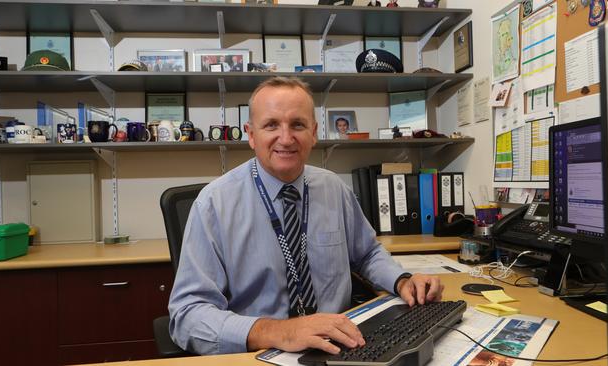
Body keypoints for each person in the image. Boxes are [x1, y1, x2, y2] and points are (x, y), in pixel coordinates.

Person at [168, 76, 444, 355]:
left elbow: (367, 253)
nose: (286, 139)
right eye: (271, 125)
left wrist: (402, 280)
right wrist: (278, 331)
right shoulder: (214, 204)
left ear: (313, 133)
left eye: (297, 125)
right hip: (261, 352)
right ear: (251, 134)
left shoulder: (333, 188)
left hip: (342, 344)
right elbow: (187, 314)